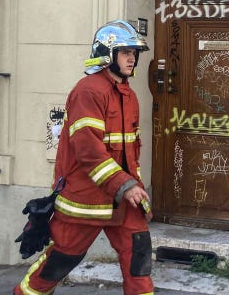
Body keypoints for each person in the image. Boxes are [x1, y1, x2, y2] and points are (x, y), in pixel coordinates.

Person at [14, 20, 154, 295]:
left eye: (134, 52)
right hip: (85, 201)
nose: (132, 58)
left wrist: (133, 186)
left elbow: (129, 152)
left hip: (122, 201)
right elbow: (89, 151)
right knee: (60, 261)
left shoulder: (129, 94)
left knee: (139, 259)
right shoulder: (88, 90)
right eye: (125, 51)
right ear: (107, 54)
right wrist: (125, 185)